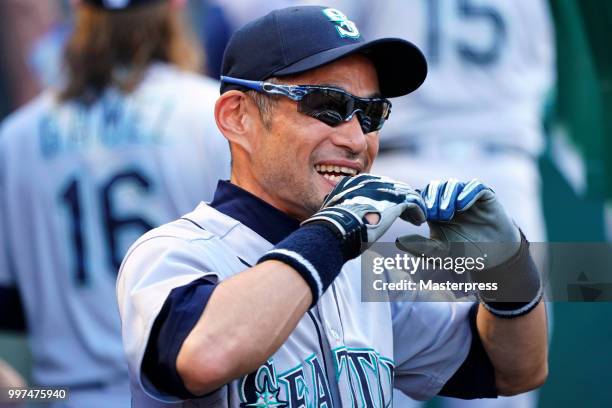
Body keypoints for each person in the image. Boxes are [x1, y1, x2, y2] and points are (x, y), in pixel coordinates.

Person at [117, 5, 548, 406]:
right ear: (238, 116)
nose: (356, 140)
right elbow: (205, 356)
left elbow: (514, 370)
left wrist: (508, 272)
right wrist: (332, 235)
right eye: (327, 105)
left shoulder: (362, 271)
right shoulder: (175, 251)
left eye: (371, 113)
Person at [0, 0, 230, 406]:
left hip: (70, 394)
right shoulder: (217, 114)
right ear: (174, 10)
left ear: (79, 13)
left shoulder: (16, 137)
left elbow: (10, 305)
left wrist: (24, 394)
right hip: (186, 392)